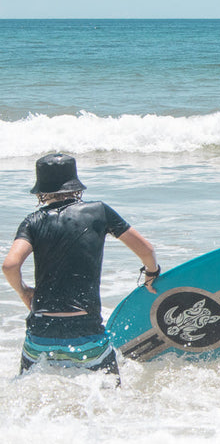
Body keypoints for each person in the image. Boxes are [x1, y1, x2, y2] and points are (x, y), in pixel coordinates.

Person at [2, 152, 160, 383]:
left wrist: (24, 292)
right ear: (75, 184)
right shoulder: (99, 212)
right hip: (86, 332)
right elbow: (146, 249)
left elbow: (10, 265)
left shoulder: (32, 221)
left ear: (41, 189)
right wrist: (151, 273)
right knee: (111, 397)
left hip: (41, 333)